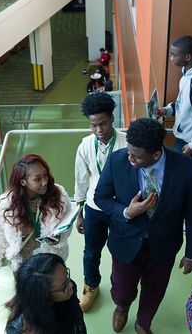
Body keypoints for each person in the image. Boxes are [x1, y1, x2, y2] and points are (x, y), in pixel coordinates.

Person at [94, 118, 192, 333]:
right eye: (129, 152)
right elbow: (101, 197)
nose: (130, 158)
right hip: (126, 241)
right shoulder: (117, 161)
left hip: (164, 244)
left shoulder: (187, 167)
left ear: (156, 154)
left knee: (155, 290)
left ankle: (143, 322)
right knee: (122, 288)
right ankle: (122, 307)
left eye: (136, 156)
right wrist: (127, 211)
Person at [0, 154, 73, 280]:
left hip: (51, 259)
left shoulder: (58, 195)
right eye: (37, 179)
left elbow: (67, 224)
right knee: (29, 296)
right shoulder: (6, 204)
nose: (45, 182)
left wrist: (59, 239)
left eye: (45, 175)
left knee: (56, 292)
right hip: (24, 264)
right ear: (23, 181)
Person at [74, 92, 127, 312]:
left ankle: (121, 289)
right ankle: (91, 286)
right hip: (94, 208)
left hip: (119, 208)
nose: (98, 130)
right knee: (91, 251)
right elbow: (81, 179)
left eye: (102, 124)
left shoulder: (126, 142)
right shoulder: (85, 145)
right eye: (93, 125)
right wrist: (78, 212)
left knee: (121, 251)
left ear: (112, 119)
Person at [5, 253, 87, 334]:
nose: (71, 284)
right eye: (64, 286)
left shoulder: (67, 290)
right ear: (43, 296)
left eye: (67, 275)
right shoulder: (19, 330)